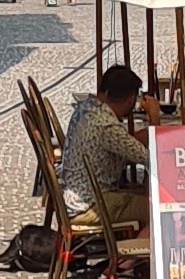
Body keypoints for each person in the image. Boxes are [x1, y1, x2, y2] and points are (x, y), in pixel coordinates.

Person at [59, 61, 149, 224]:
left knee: (141, 195)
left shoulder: (86, 107)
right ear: (130, 100)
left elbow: (121, 144)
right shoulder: (107, 125)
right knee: (156, 209)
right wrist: (155, 119)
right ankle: (141, 240)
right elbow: (148, 159)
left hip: (74, 198)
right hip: (90, 205)